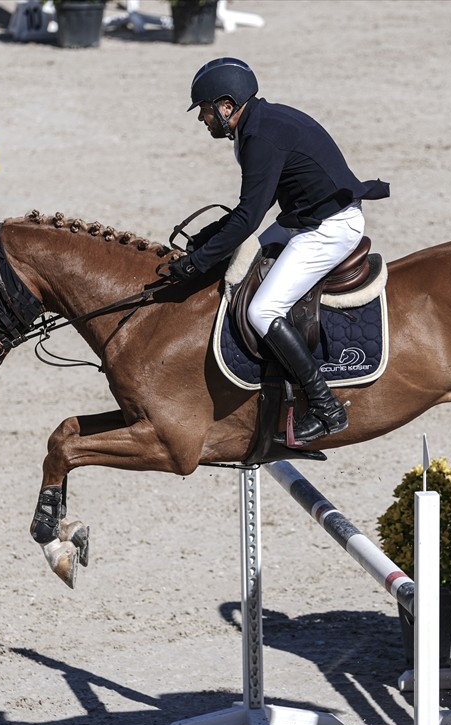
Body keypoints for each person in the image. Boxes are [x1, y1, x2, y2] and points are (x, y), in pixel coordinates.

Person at [165, 57, 389, 446]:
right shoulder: (258, 124)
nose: (202, 119)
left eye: (204, 110)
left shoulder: (261, 137)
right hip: (302, 219)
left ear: (227, 105)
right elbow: (251, 213)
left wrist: (199, 261)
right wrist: (203, 241)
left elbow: (249, 216)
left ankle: (325, 407)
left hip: (329, 228)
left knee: (261, 309)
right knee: (243, 263)